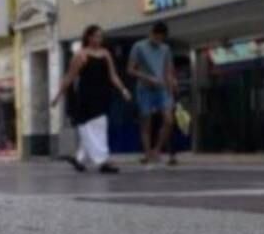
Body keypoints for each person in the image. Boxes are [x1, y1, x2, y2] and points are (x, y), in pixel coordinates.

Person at [52, 25, 132, 174]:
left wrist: (123, 90)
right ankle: (103, 161)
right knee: (93, 128)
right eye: (95, 36)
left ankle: (79, 159)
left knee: (97, 127)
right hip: (86, 97)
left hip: (102, 95)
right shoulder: (80, 55)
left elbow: (113, 75)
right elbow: (69, 77)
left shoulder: (105, 54)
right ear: (88, 37)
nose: (98, 39)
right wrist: (58, 96)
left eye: (100, 36)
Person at [128, 22, 179, 166]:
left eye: (161, 38)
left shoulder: (165, 49)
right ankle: (147, 153)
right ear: (151, 33)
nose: (158, 40)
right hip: (145, 89)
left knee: (169, 120)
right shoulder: (138, 46)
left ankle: (157, 149)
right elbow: (130, 70)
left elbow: (168, 70)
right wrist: (147, 77)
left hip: (162, 89)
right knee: (146, 123)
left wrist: (172, 85)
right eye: (156, 37)